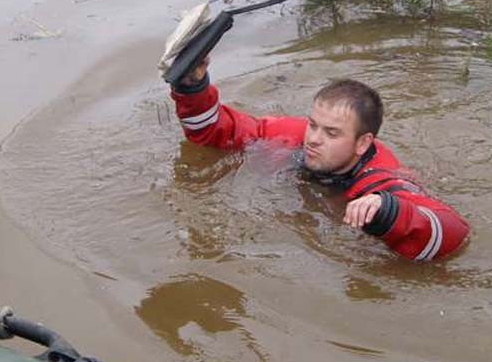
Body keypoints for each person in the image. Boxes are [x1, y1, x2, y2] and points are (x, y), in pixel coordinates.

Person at [169, 58, 469, 261]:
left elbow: (455, 232)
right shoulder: (296, 136)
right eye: (313, 124)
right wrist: (192, 85)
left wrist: (388, 211)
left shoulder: (382, 180)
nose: (313, 138)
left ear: (363, 143)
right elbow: (217, 132)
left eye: (331, 133)